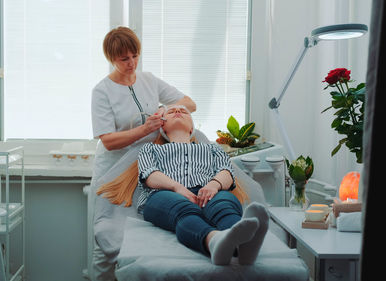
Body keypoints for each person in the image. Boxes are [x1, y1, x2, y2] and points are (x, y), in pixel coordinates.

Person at [98, 105, 268, 266]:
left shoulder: (212, 149)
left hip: (208, 192)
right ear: (163, 127)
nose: (178, 110)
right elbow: (149, 174)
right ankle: (214, 241)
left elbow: (226, 172)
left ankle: (244, 246)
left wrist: (214, 185)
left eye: (184, 112)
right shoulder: (150, 149)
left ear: (192, 127)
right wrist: (177, 188)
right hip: (163, 195)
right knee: (183, 210)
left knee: (224, 203)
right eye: (171, 111)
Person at [89, 26, 196, 281]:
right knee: (106, 239)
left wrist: (167, 110)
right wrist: (144, 128)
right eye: (124, 59)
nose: (131, 63)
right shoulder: (102, 91)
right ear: (111, 59)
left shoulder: (149, 80)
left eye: (135, 55)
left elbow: (190, 103)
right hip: (113, 173)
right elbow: (108, 141)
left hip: (146, 169)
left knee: (143, 236)